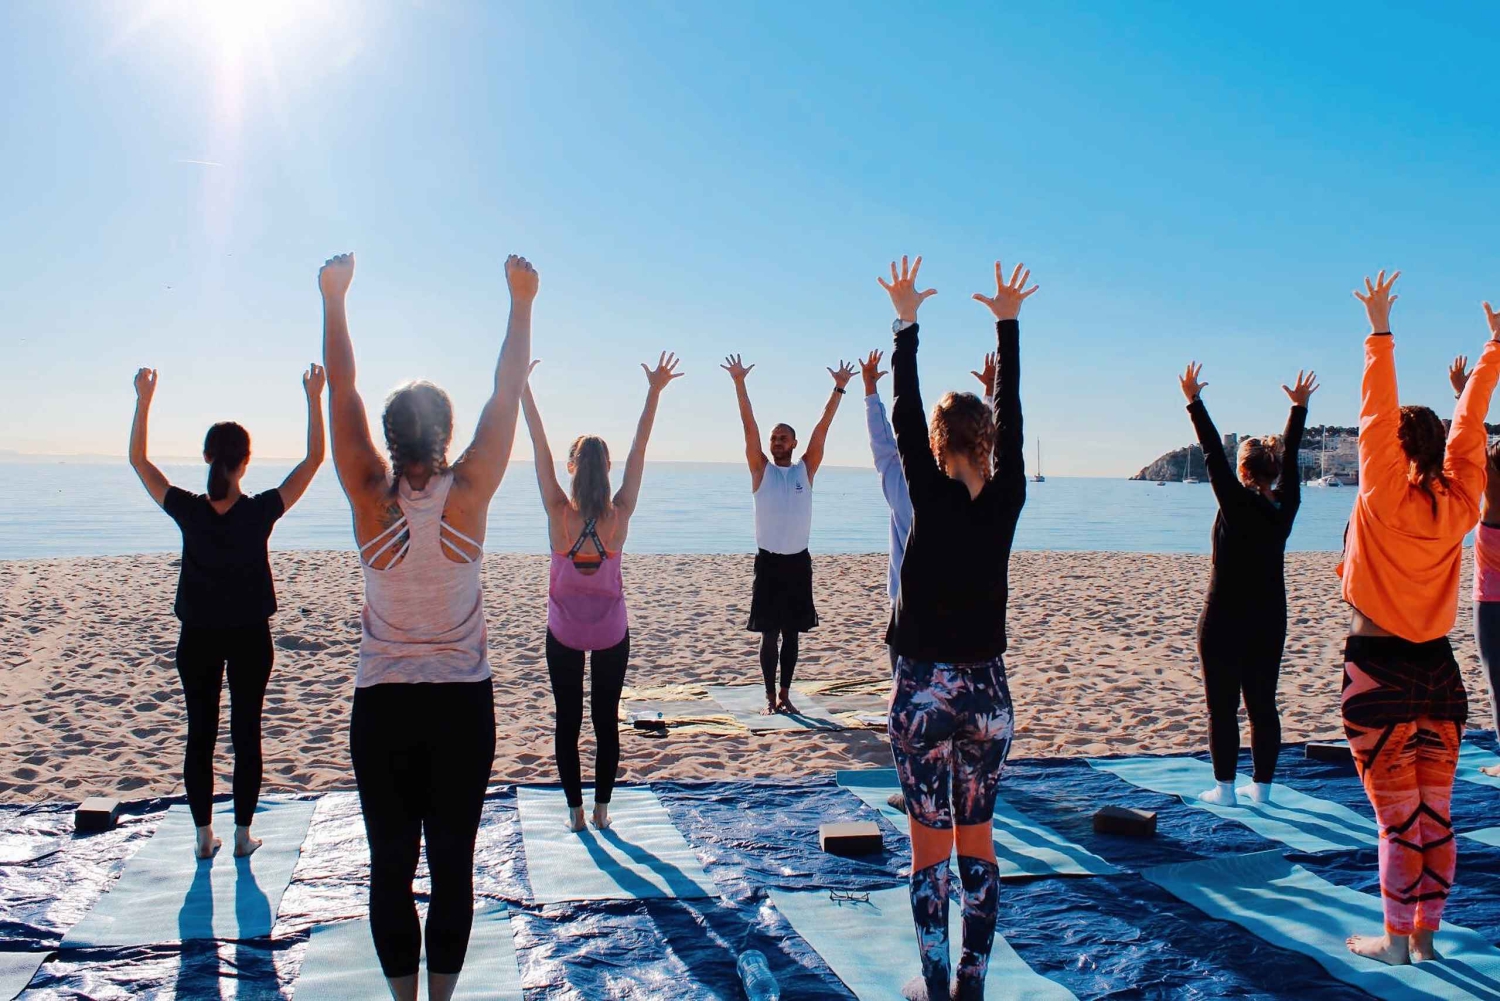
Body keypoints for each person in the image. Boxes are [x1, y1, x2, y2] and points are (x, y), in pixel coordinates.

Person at [319, 251, 534, 1001]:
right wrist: (521, 301)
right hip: (460, 707)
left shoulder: (367, 493)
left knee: (390, 867)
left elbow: (341, 387)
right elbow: (508, 390)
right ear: (445, 431)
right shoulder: (468, 491)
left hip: (383, 706)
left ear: (389, 434)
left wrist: (334, 298)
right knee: (452, 866)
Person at [881, 254, 1035, 1001]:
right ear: (990, 443)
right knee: (977, 841)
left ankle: (936, 981)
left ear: (939, 446)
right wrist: (1007, 325)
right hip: (988, 695)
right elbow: (1014, 422)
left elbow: (905, 412)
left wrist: (906, 324)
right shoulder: (1007, 495)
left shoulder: (928, 489)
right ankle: (970, 984)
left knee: (929, 849)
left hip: (923, 691)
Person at [1338, 270, 1500, 966]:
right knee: (1435, 816)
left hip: (1379, 674)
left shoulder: (1382, 496)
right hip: (1439, 672)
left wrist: (1380, 333)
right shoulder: (1459, 505)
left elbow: (1375, 417)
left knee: (1397, 823)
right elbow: (1470, 432)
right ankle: (1425, 940)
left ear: (1397, 454)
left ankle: (1396, 943)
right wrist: (1492, 354)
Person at [128, 362, 326, 860]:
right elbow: (314, 459)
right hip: (249, 639)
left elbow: (138, 461)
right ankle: (240, 836)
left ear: (207, 457)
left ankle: (203, 836)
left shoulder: (189, 509)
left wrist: (143, 400)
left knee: (201, 733)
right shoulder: (259, 511)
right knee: (246, 734)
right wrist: (314, 397)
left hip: (197, 638)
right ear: (246, 461)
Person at [521, 352, 683, 833]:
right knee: (605, 721)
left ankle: (575, 814)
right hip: (611, 630)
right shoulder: (620, 513)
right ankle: (602, 811)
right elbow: (640, 449)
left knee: (568, 721)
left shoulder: (558, 511)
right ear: (608, 467)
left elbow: (537, 444)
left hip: (564, 632)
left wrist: (523, 390)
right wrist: (654, 392)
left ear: (571, 466)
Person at [1177, 363, 1317, 806]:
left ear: (1242, 470)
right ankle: (1262, 790)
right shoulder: (1285, 506)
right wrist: (1298, 410)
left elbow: (1211, 454)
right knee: (1262, 705)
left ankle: (1225, 791)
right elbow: (1290, 460)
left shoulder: (1235, 502)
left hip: (1224, 617)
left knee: (1222, 707)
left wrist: (1194, 402)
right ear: (1272, 471)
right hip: (1269, 617)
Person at [722, 352, 856, 714]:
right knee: (769, 634)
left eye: (783, 438)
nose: (777, 441)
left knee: (792, 634)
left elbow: (822, 430)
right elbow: (748, 427)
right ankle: (769, 698)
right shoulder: (760, 470)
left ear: (794, 444)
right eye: (774, 438)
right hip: (768, 563)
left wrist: (839, 389)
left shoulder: (804, 471)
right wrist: (739, 383)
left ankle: (785, 695)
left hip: (798, 562)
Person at [862, 349, 997, 673]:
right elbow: (985, 449)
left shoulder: (905, 488)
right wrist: (990, 395)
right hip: (969, 615)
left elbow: (883, 445)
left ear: (934, 442)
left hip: (912, 616)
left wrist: (870, 391)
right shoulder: (981, 489)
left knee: (910, 695)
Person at [1449, 357, 1500, 773]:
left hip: (1491, 604)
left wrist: (1462, 391)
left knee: (1498, 683)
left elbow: (1471, 445)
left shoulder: (1490, 509)